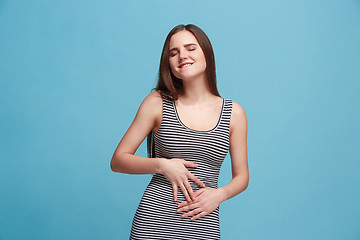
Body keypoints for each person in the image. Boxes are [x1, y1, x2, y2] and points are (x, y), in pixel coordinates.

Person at [110, 24, 249, 240]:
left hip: (203, 224)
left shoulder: (234, 113)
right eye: (173, 53)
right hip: (153, 225)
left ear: (206, 53)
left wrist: (219, 195)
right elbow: (118, 161)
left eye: (190, 48)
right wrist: (162, 164)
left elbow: (242, 177)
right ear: (169, 63)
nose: (182, 56)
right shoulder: (157, 102)